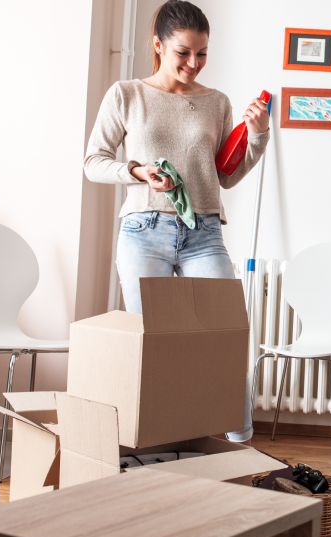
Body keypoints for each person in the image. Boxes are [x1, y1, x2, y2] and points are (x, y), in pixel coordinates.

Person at [83, 0, 267, 443]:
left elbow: (225, 173)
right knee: (152, 344)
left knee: (226, 334)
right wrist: (137, 172)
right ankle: (156, 439)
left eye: (202, 53)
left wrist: (257, 137)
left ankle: (236, 443)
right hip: (144, 230)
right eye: (183, 52)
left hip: (203, 231)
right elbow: (93, 162)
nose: (194, 63)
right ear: (159, 46)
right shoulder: (126, 94)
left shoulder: (215, 102)